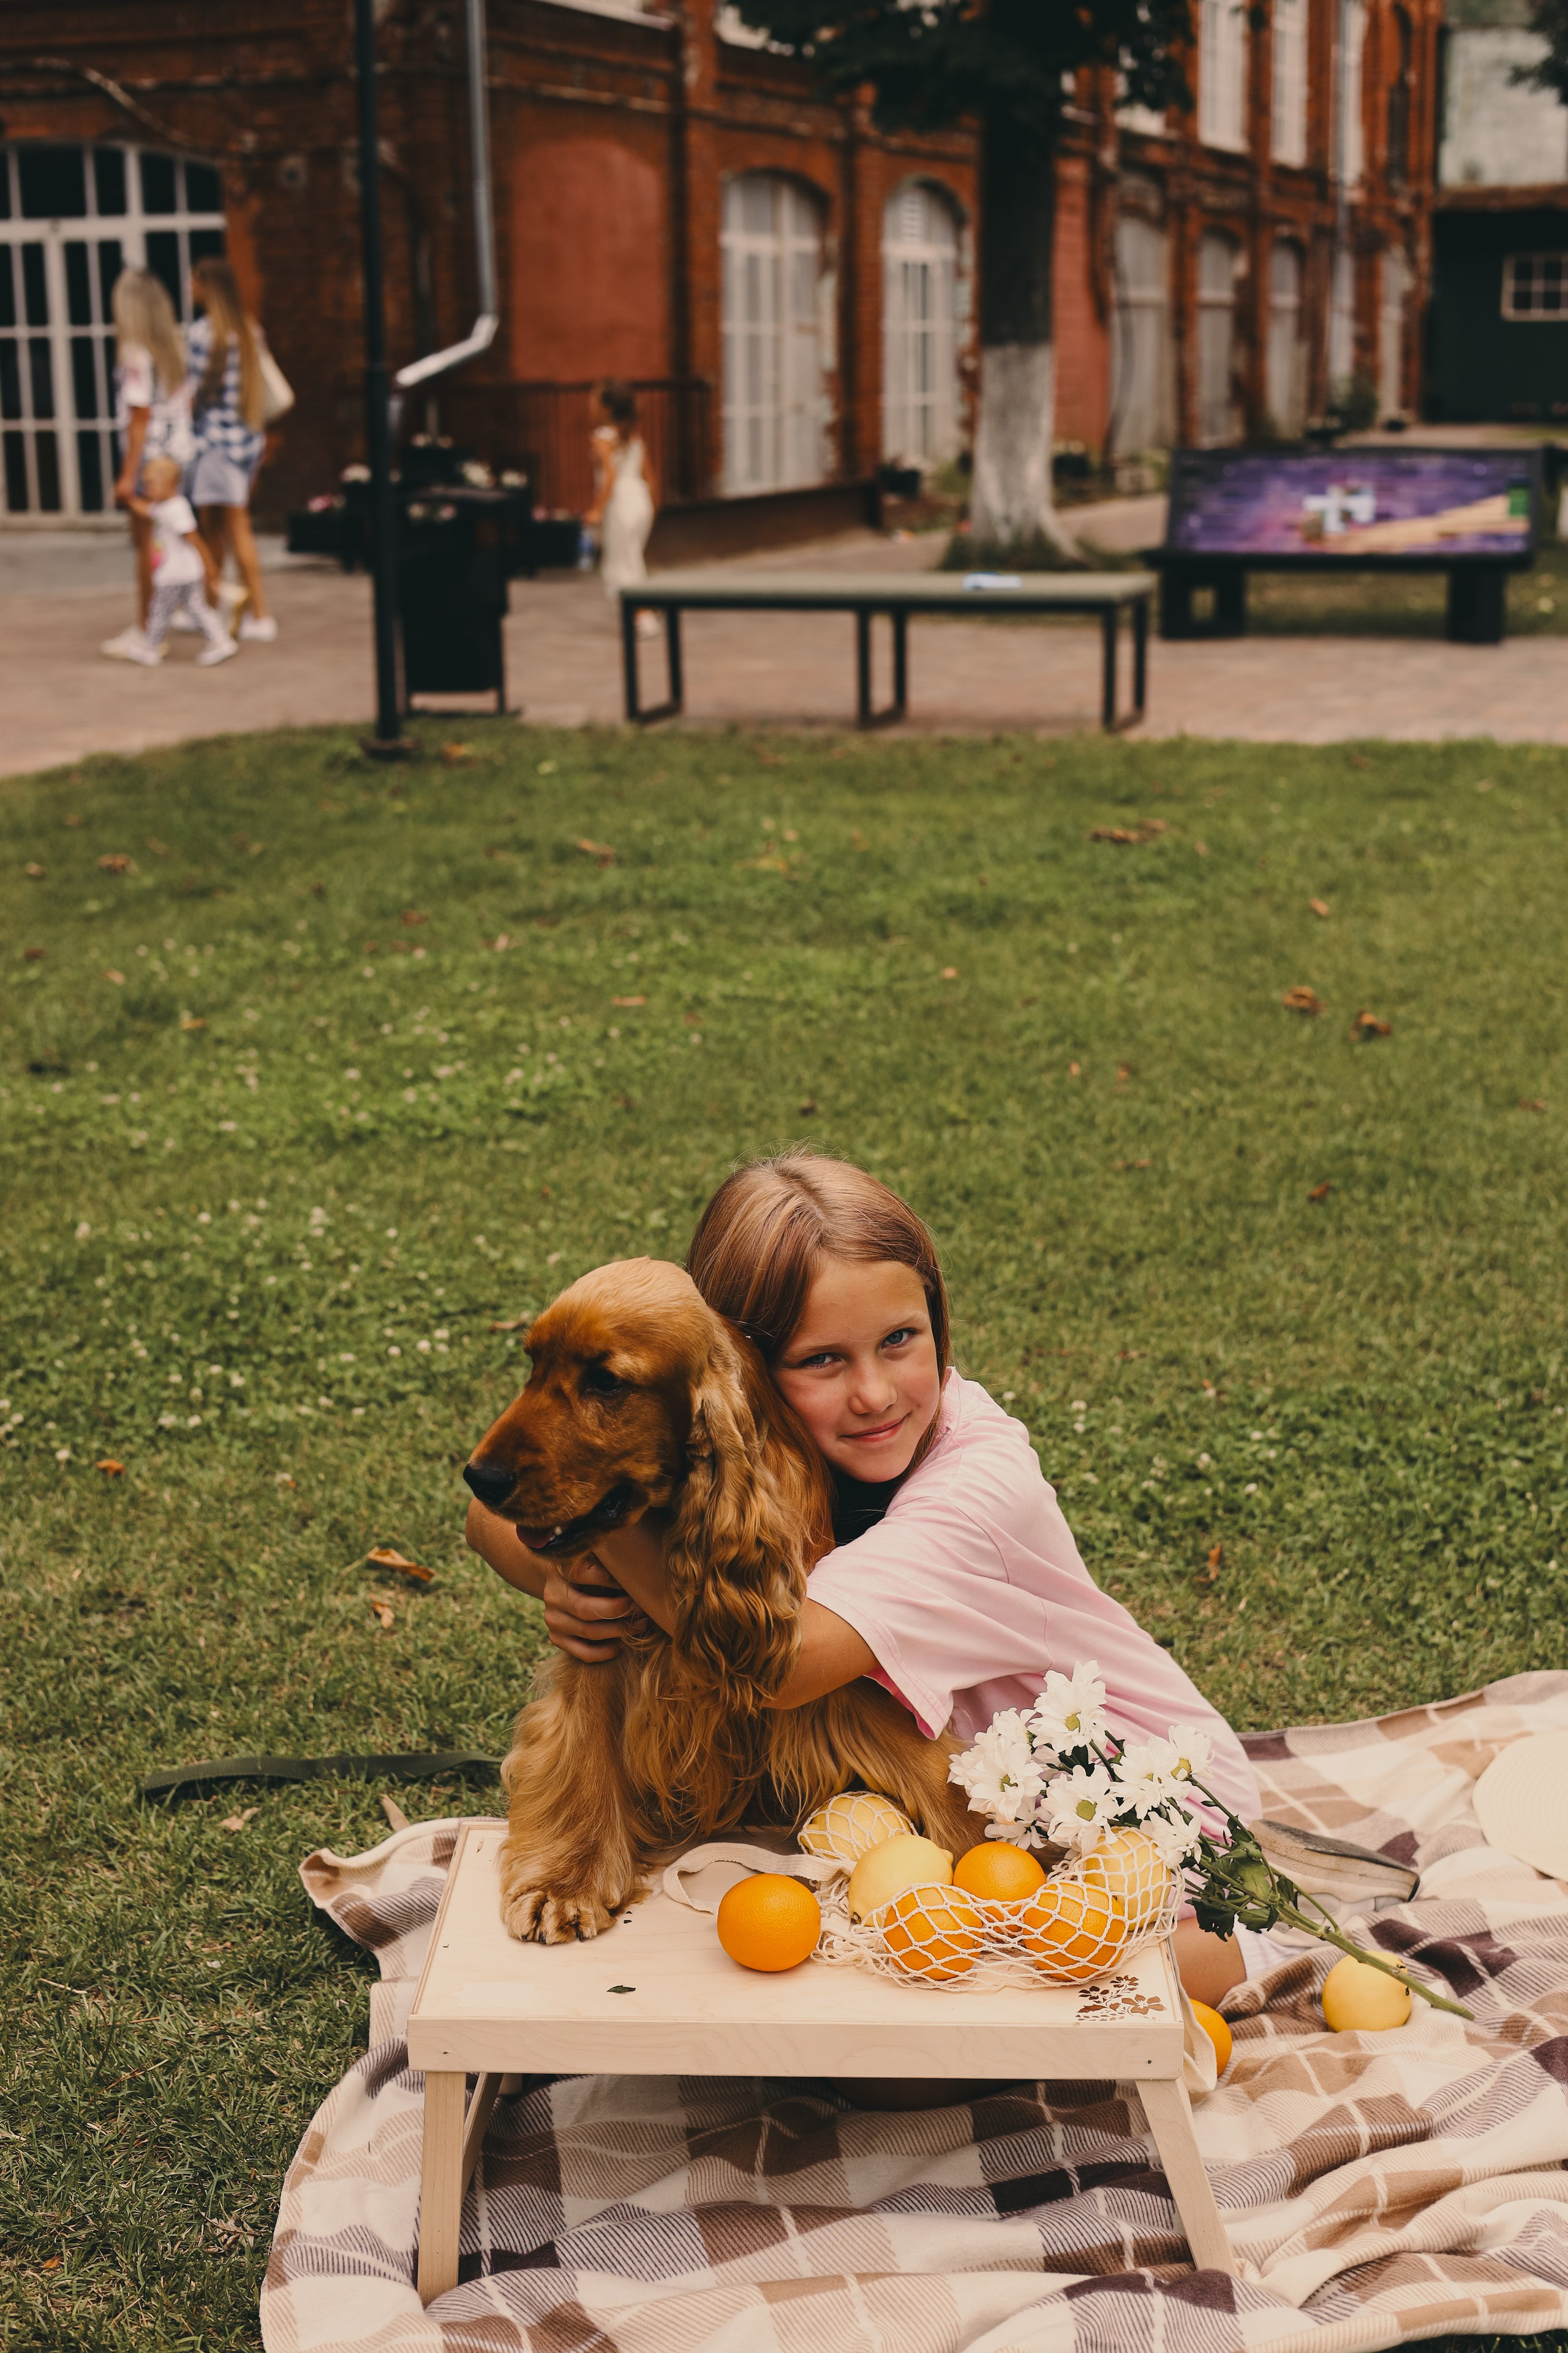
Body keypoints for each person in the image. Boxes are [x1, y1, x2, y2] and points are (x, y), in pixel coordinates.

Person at [467, 1152, 1264, 2011]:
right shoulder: (787, 1453)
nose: (875, 1393)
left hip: (1136, 1814)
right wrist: (565, 1573)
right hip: (938, 1821)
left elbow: (782, 1668)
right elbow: (489, 1518)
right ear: (749, 1371)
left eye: (899, 1339)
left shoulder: (978, 1484)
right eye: (822, 1359)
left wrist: (606, 1527)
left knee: (1042, 1998)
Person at [101, 269, 195, 662]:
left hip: (150, 461)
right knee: (172, 541)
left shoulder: (136, 353)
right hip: (178, 455)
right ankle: (176, 613)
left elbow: (139, 418)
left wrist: (127, 475)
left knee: (148, 547)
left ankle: (147, 631)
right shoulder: (176, 347)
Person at [186, 255, 276, 643]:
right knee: (217, 524)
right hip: (246, 440)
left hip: (215, 443)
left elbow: (193, 394)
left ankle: (259, 612)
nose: (190, 287)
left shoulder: (204, 334)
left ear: (207, 286)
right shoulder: (248, 329)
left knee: (232, 526)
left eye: (194, 280)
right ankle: (212, 604)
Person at [117, 453, 237, 667]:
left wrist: (210, 568)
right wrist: (129, 498)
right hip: (183, 572)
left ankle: (151, 648)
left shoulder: (177, 509)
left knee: (160, 610)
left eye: (150, 484)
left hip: (176, 573)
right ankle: (220, 640)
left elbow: (195, 539)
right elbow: (147, 511)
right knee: (196, 608)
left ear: (170, 484)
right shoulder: (164, 506)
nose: (146, 489)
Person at [585, 380, 657, 638]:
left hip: (621, 504)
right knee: (633, 559)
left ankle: (642, 616)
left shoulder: (603, 437)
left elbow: (609, 476)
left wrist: (596, 509)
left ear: (606, 407)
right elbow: (649, 476)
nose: (590, 404)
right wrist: (652, 506)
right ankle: (641, 614)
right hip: (641, 501)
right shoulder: (632, 436)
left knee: (622, 564)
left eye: (594, 399)